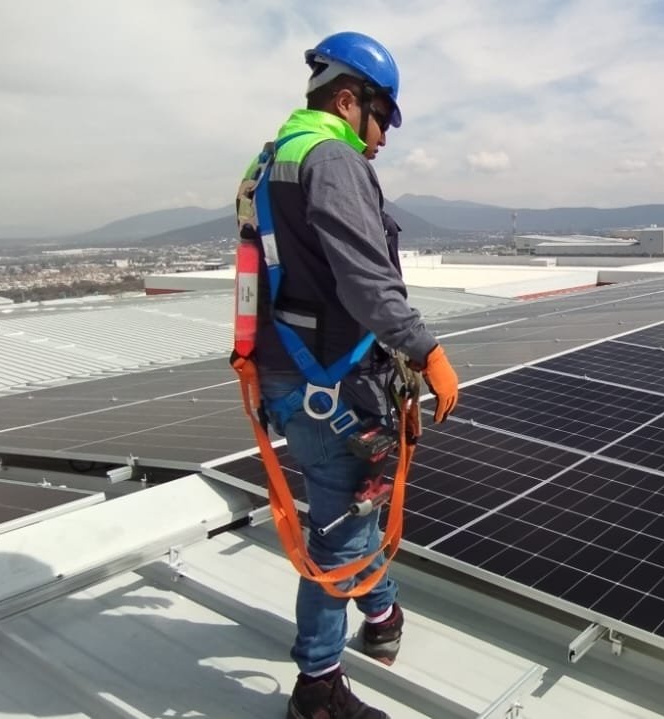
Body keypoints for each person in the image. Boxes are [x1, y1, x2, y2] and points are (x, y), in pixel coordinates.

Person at [245, 30, 459, 719]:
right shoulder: (332, 158)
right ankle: (318, 688)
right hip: (332, 383)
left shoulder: (273, 158)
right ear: (348, 99)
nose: (385, 139)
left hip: (290, 377)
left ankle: (384, 612)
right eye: (384, 117)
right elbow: (367, 280)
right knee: (341, 528)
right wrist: (427, 351)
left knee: (357, 502)